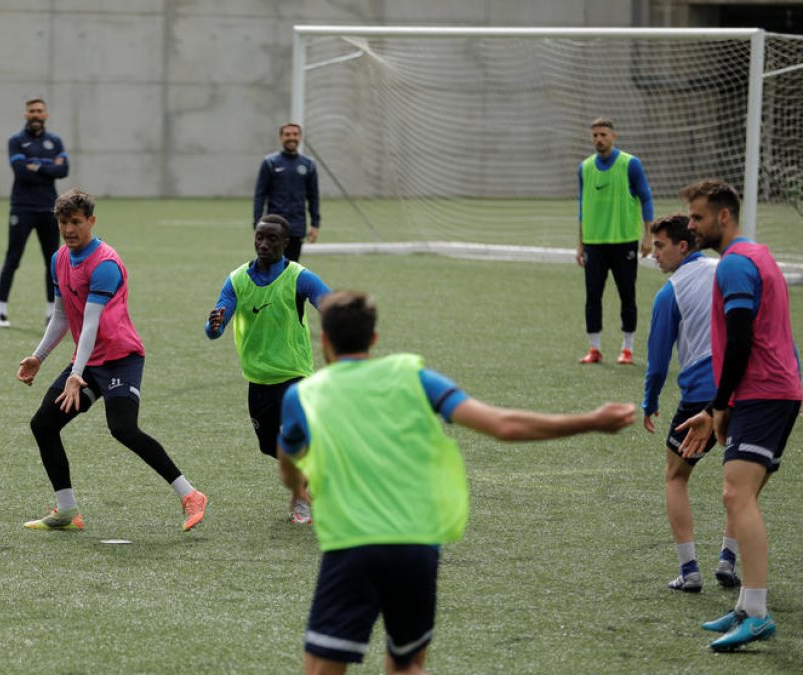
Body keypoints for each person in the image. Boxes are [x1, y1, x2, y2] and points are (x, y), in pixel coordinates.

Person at [278, 290, 634, 674]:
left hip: (352, 549)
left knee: (321, 667)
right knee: (406, 664)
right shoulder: (414, 377)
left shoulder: (303, 395)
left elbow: (288, 466)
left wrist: (299, 482)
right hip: (416, 547)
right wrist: (592, 421)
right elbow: (504, 425)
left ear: (326, 341)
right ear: (375, 339)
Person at [16, 188, 207, 532]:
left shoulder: (105, 264)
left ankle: (190, 494)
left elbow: (90, 323)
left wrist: (76, 374)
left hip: (120, 359)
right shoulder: (59, 258)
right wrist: (38, 356)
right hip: (89, 362)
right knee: (43, 425)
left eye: (76, 222)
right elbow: (62, 316)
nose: (69, 229)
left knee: (123, 428)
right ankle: (66, 510)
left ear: (91, 220)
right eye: (63, 222)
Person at [677, 179, 802, 652]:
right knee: (739, 496)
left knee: (736, 493)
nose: (692, 226)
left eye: (698, 217)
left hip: (763, 391)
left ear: (723, 217)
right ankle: (747, 605)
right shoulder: (759, 254)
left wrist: (718, 406)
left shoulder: (732, 265)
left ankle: (758, 613)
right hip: (778, 389)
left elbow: (743, 340)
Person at [206, 214, 329, 524]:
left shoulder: (300, 277)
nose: (264, 243)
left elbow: (330, 304)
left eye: (272, 238)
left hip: (294, 374)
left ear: (286, 243)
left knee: (295, 438)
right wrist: (213, 324)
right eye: (260, 237)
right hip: (258, 377)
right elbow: (215, 329)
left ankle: (302, 499)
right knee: (269, 446)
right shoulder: (237, 280)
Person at [642, 213, 738, 593]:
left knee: (675, 476)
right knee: (740, 482)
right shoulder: (729, 269)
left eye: (660, 246)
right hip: (741, 392)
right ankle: (728, 561)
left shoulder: (671, 292)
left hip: (701, 397)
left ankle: (689, 569)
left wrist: (649, 402)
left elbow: (658, 361)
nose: (653, 254)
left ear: (684, 246)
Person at [576, 117, 653, 365]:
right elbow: (582, 207)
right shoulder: (585, 168)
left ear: (613, 136)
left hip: (624, 242)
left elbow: (646, 197)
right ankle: (594, 348)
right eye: (595, 135)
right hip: (594, 243)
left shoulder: (631, 164)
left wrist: (648, 235)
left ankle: (627, 348)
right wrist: (580, 243)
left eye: (603, 134)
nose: (599, 139)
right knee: (593, 295)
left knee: (627, 294)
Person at [0, 98, 69, 328]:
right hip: (22, 207)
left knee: (52, 261)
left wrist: (35, 165)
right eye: (32, 111)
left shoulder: (55, 141)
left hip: (49, 207)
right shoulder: (16, 140)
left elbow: (64, 170)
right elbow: (20, 172)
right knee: (13, 257)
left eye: (40, 111)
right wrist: (48, 168)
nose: (36, 115)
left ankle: (52, 312)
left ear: (46, 115)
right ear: (25, 115)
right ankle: (0, 310)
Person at [253, 123, 320, 262]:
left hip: (297, 225)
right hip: (273, 227)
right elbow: (260, 194)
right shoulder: (270, 163)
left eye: (295, 134)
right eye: (287, 134)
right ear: (281, 137)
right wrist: (257, 221)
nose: (291, 137)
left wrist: (315, 224)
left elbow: (313, 196)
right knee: (271, 266)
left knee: (292, 267)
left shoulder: (308, 164)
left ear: (300, 137)